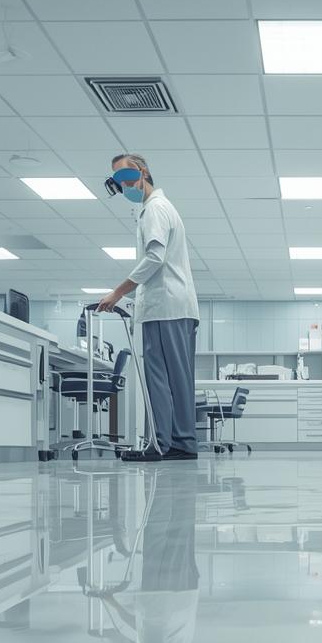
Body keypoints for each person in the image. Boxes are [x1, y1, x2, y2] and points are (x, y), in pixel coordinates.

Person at [96, 153, 200, 462]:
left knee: (165, 378)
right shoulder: (154, 209)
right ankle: (174, 442)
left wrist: (117, 292)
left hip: (168, 308)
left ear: (143, 172)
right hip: (167, 307)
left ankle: (167, 444)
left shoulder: (155, 208)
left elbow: (155, 258)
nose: (124, 184)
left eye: (127, 177)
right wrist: (131, 298)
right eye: (117, 181)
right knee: (170, 378)